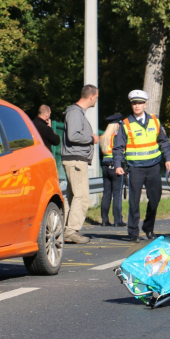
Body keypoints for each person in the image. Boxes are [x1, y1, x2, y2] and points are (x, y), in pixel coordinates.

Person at [112, 90, 170, 242]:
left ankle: (148, 227)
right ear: (131, 105)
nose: (137, 106)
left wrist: (168, 158)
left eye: (139, 103)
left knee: (155, 198)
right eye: (134, 103)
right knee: (134, 202)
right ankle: (133, 232)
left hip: (153, 166)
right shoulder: (125, 124)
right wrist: (118, 164)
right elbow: (118, 147)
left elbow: (163, 140)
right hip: (135, 168)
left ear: (145, 104)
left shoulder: (155, 120)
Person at [62, 84, 99, 244]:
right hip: (76, 160)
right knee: (82, 196)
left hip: (74, 159)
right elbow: (73, 135)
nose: (96, 100)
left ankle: (65, 229)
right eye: (97, 97)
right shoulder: (75, 113)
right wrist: (91, 139)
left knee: (72, 197)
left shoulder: (75, 112)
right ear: (91, 96)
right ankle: (71, 231)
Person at [100, 114, 126, 227]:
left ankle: (104, 220)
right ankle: (117, 220)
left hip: (105, 166)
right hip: (116, 166)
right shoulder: (116, 137)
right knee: (117, 194)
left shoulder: (103, 137)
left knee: (106, 194)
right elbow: (121, 152)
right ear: (116, 125)